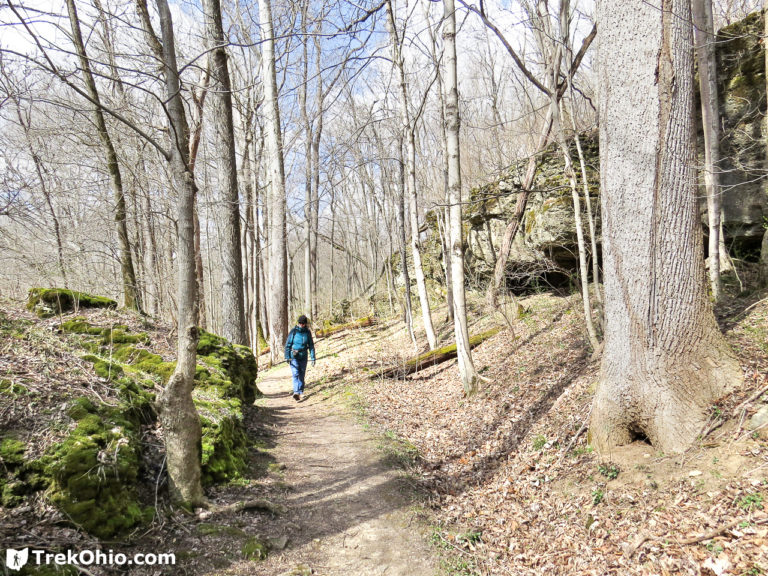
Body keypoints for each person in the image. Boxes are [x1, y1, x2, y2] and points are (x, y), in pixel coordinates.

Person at [284, 314, 316, 401]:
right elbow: (287, 345)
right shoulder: (293, 332)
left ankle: (301, 391)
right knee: (295, 374)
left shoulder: (307, 332)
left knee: (301, 375)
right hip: (294, 356)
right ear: (298, 323)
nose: (301, 325)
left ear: (305, 324)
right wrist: (287, 356)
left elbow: (311, 346)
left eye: (303, 323)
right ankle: (296, 392)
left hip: (303, 356)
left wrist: (313, 358)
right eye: (300, 323)